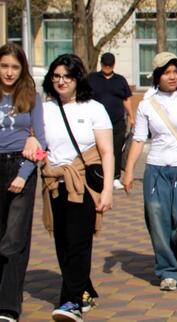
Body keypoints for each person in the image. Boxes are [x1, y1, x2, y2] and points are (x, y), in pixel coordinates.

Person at [121, 53, 177, 291]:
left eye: (176, 72)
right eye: (167, 72)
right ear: (157, 76)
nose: (172, 77)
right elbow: (139, 139)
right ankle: (168, 270)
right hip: (156, 168)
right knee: (158, 220)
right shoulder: (147, 104)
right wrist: (128, 172)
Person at [40, 54, 114, 322]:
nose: (61, 81)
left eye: (67, 77)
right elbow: (37, 143)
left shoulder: (93, 108)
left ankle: (71, 301)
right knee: (62, 242)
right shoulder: (44, 108)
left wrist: (107, 190)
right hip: (54, 183)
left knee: (78, 242)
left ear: (77, 79)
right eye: (56, 76)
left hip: (83, 184)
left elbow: (107, 152)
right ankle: (83, 289)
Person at [0, 43, 46, 322]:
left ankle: (8, 305)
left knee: (13, 241)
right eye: (4, 66)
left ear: (23, 69)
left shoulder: (31, 97)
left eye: (15, 67)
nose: (9, 72)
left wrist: (23, 174)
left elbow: (41, 142)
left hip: (20, 168)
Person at [87, 53, 133, 190]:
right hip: (96, 123)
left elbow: (126, 99)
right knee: (98, 148)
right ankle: (98, 174)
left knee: (117, 148)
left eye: (110, 65)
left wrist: (131, 116)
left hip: (117, 121)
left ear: (114, 65)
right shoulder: (92, 79)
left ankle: (115, 177)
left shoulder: (120, 80)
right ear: (101, 64)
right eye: (105, 65)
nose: (107, 68)